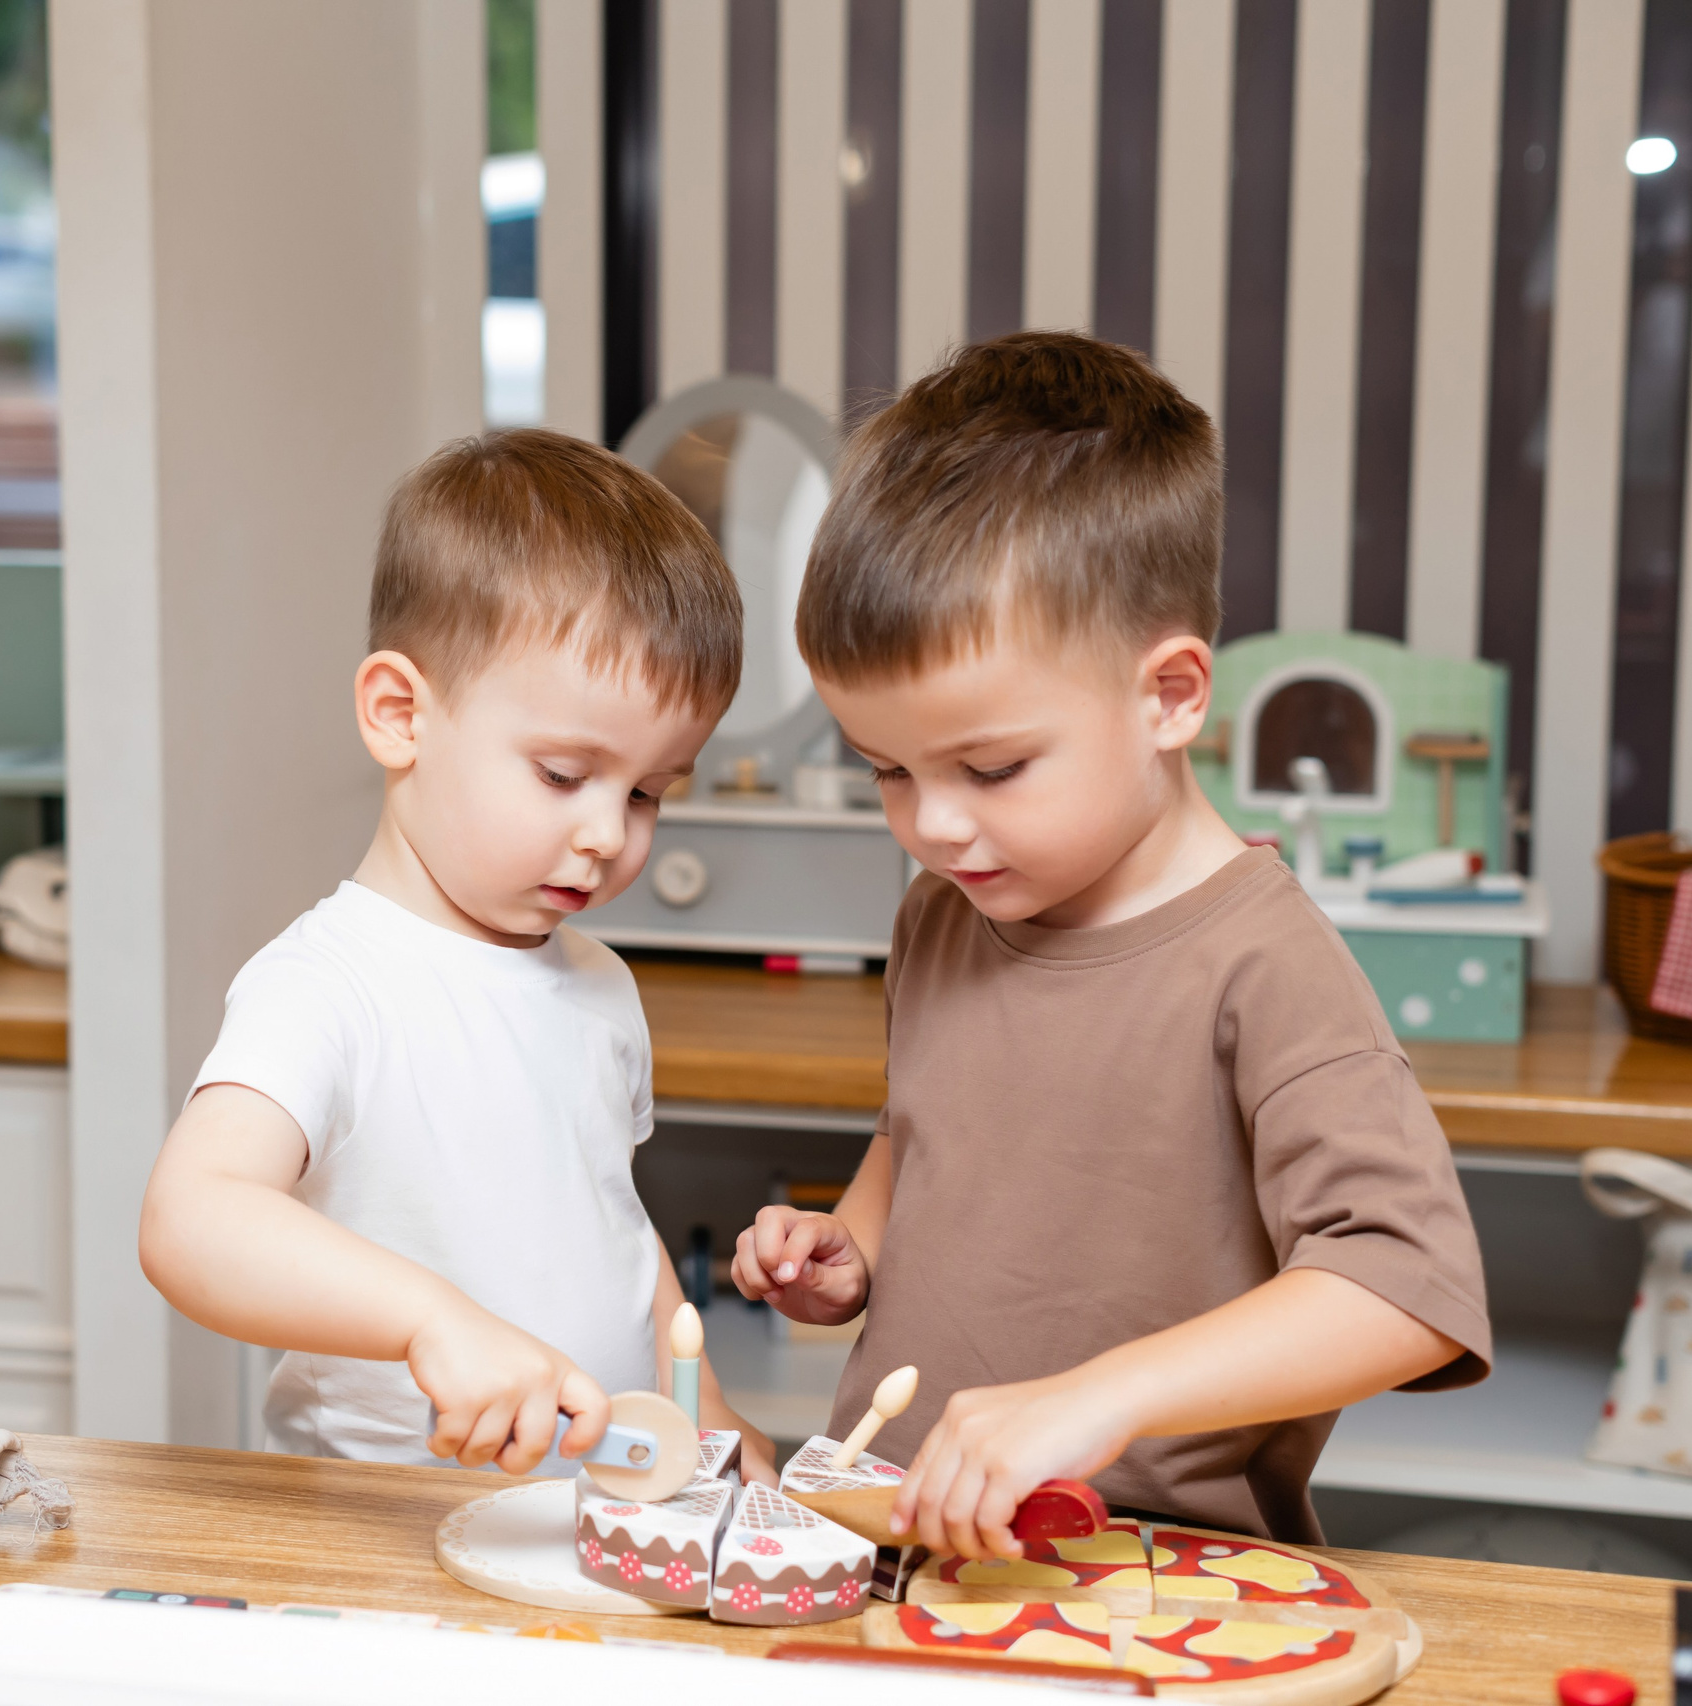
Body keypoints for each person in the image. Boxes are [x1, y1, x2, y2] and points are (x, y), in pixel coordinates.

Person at [733, 332, 1490, 1555]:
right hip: (900, 1539)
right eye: (885, 768)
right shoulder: (954, 903)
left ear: (1171, 695)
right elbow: (928, 1128)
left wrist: (1103, 1394)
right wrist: (850, 1246)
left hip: (1145, 1575)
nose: (931, 823)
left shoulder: (1263, 965)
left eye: (992, 765)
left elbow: (1408, 1289)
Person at [143, 428, 776, 1483]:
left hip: (595, 1520)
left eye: (649, 790)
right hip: (388, 1539)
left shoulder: (599, 985)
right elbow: (192, 1217)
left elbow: (614, 1231)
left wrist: (702, 1402)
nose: (608, 833)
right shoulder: (324, 985)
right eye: (563, 772)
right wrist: (428, 1320)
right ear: (399, 715)